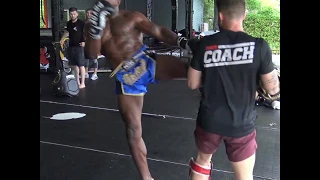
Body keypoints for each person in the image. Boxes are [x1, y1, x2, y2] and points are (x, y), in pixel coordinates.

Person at [84, 0, 197, 179]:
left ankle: (224, 99)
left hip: (145, 62)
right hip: (127, 76)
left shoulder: (131, 17)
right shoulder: (92, 25)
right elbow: (91, 54)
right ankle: (147, 177)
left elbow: (158, 31)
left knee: (194, 68)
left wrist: (183, 42)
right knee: (134, 129)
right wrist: (96, 26)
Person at [186, 0, 280, 179]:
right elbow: (273, 90)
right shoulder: (259, 46)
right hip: (241, 123)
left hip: (210, 121)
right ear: (244, 15)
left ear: (220, 16)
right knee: (244, 176)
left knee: (202, 162)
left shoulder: (205, 45)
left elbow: (192, 83)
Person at [60, 7, 86, 88]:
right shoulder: (69, 23)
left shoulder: (81, 23)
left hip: (79, 46)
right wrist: (62, 39)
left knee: (81, 65)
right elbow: (67, 32)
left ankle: (83, 83)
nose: (73, 15)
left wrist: (85, 42)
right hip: (71, 46)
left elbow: (87, 33)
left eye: (74, 14)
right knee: (75, 65)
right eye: (71, 14)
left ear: (77, 14)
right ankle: (77, 82)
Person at [84, 8, 99, 80]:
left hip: (93, 43)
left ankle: (95, 74)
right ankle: (86, 73)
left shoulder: (95, 22)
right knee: (86, 59)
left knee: (94, 59)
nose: (88, 14)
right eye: (87, 13)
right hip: (86, 43)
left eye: (90, 13)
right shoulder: (84, 23)